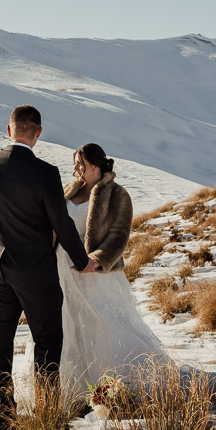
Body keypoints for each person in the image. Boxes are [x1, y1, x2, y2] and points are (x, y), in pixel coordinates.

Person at [0, 105, 98, 430]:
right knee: (47, 339)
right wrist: (82, 260)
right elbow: (62, 224)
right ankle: (46, 414)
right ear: (38, 133)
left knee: (0, 339)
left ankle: (4, 418)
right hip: (35, 270)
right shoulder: (45, 172)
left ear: (9, 129)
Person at [50, 144, 168, 396]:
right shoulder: (68, 191)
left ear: (95, 166)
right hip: (61, 271)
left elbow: (119, 235)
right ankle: (70, 391)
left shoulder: (117, 195)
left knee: (100, 324)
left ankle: (113, 389)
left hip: (94, 274)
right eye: (75, 163)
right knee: (66, 324)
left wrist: (96, 261)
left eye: (80, 164)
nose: (75, 168)